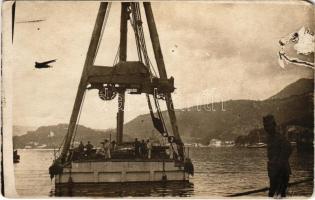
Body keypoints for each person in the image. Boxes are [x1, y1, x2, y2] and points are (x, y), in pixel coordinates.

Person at [263, 114, 292, 198]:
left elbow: (289, 149)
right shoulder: (270, 138)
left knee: (276, 196)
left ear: (274, 125)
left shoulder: (280, 138)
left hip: (280, 174)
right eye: (265, 126)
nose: (266, 128)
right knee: (273, 195)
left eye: (268, 125)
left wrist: (279, 163)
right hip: (273, 173)